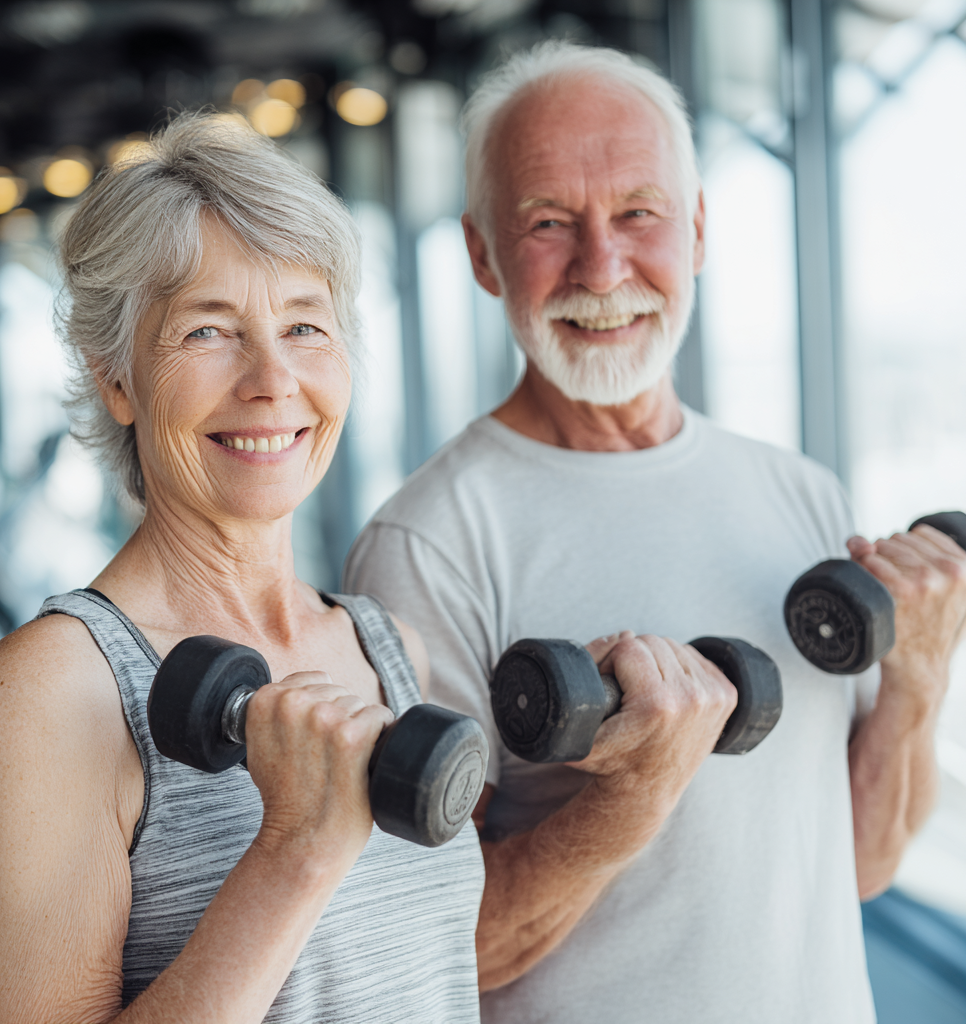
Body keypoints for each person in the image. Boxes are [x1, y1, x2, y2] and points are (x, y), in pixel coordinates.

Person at [344, 41, 966, 1024]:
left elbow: (858, 864)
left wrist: (919, 678)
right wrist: (630, 795)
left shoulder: (797, 491)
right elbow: (432, 950)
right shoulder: (427, 545)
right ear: (480, 254)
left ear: (699, 231)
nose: (602, 267)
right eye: (548, 223)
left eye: (638, 213)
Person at [0, 112, 484, 1024]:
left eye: (306, 326)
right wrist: (295, 854)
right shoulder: (55, 690)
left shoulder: (385, 646)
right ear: (116, 378)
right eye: (209, 331)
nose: (273, 379)